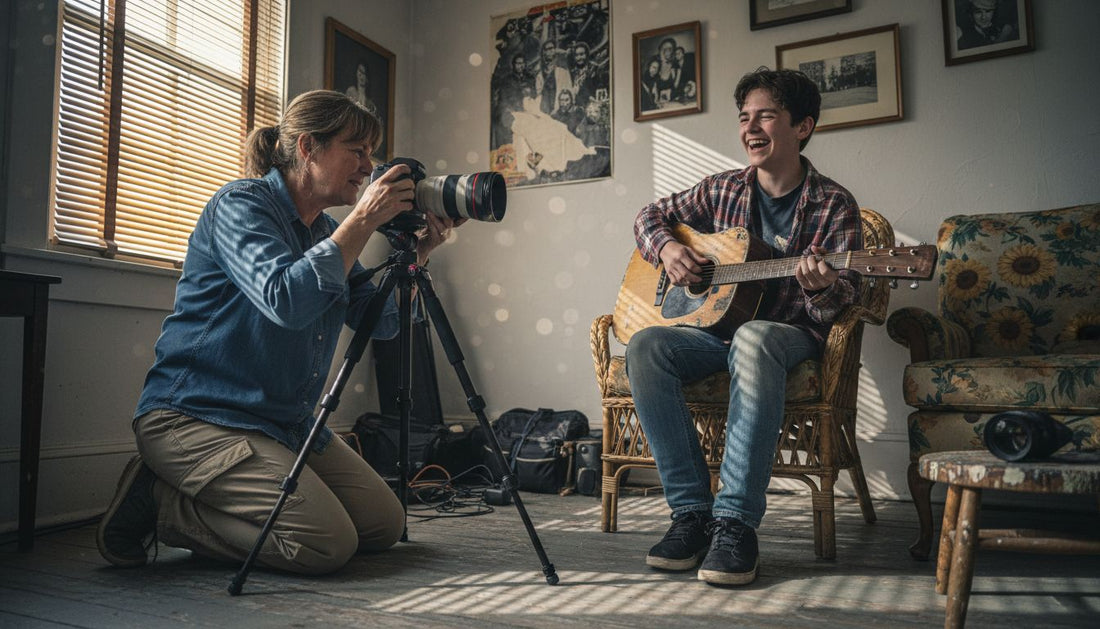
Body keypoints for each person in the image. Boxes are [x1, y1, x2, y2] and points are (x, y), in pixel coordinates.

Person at [96, 90, 463, 575]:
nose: (367, 166)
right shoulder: (240, 206)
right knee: (325, 545)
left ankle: (209, 497)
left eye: (369, 154)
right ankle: (163, 503)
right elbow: (285, 300)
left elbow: (383, 323)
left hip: (282, 423)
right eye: (357, 150)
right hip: (196, 417)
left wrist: (418, 257)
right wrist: (363, 219)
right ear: (309, 147)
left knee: (382, 526)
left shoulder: (324, 230)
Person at [626, 67, 861, 586]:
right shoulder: (721, 190)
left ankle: (734, 525)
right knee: (645, 345)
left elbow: (841, 306)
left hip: (789, 338)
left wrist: (821, 286)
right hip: (716, 334)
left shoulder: (834, 204)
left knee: (755, 337)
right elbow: (649, 215)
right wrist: (668, 249)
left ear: (803, 126)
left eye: (766, 116)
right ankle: (691, 515)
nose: (751, 128)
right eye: (744, 118)